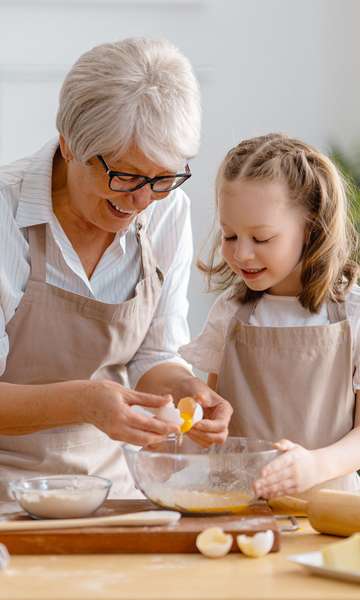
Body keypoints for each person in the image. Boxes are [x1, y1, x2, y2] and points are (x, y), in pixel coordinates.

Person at [0, 37, 232, 511]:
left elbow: (153, 355)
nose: (143, 200)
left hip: (113, 497)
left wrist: (185, 390)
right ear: (69, 146)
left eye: (163, 178)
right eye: (125, 176)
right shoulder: (7, 213)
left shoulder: (168, 212)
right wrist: (83, 402)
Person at [180, 133, 360, 497]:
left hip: (328, 510)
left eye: (260, 239)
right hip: (234, 503)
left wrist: (316, 465)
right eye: (230, 236)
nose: (242, 254)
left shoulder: (352, 314)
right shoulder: (230, 313)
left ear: (310, 229)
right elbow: (211, 415)